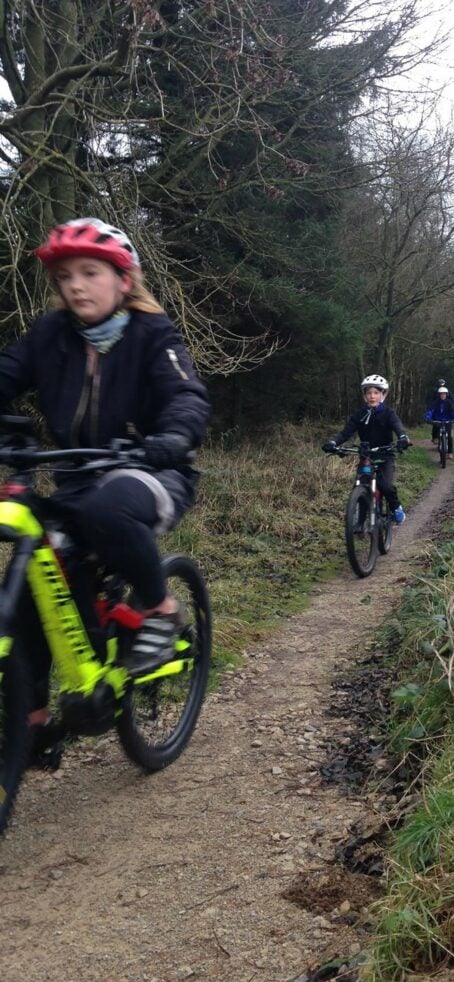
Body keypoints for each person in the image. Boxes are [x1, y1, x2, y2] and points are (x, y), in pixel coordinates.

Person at [0, 217, 210, 754]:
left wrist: (168, 439)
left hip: (151, 471)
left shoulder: (152, 334)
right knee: (30, 590)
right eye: (65, 276)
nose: (75, 285)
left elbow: (186, 397)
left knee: (107, 509)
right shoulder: (50, 336)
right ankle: (34, 722)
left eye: (90, 272)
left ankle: (161, 609)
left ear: (123, 280)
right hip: (76, 479)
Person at [322, 374, 411, 523]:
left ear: (383, 395)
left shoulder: (388, 414)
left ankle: (396, 507)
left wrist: (403, 438)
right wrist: (333, 442)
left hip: (385, 454)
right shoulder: (359, 415)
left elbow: (398, 427)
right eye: (369, 393)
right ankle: (359, 522)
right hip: (366, 455)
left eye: (376, 393)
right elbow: (346, 433)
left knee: (385, 486)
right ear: (364, 396)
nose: (372, 396)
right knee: (360, 485)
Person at [425, 385, 454, 458]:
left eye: (444, 394)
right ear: (439, 395)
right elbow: (430, 411)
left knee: (449, 436)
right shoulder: (435, 402)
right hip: (438, 421)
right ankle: (438, 441)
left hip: (448, 421)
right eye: (441, 394)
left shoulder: (449, 403)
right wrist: (428, 418)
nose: (443, 395)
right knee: (438, 434)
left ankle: (450, 452)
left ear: (446, 394)